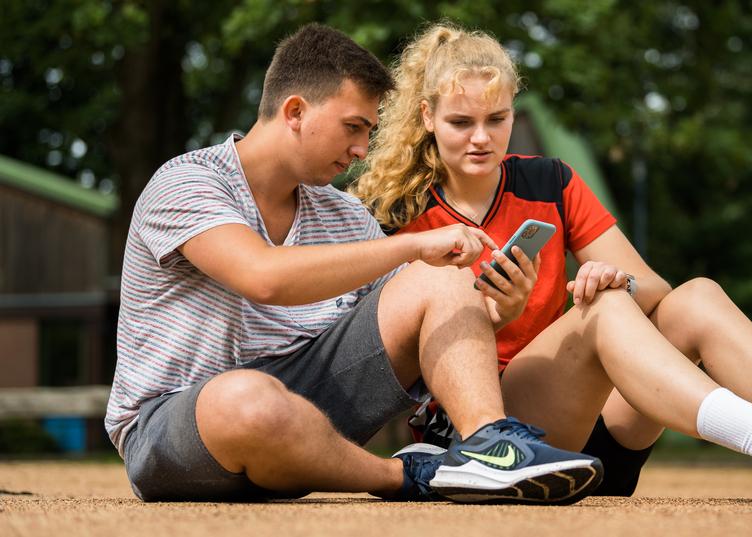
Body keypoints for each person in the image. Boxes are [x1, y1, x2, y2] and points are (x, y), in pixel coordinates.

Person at [351, 22, 752, 504]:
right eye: (461, 122)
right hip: (492, 445)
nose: (480, 138)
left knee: (694, 295)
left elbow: (655, 292)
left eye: (496, 119)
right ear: (427, 117)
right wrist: (493, 315)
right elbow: (391, 357)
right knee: (599, 314)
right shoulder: (394, 212)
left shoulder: (548, 180)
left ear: (514, 111)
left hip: (596, 431)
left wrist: (611, 280)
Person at [104, 23, 606, 505]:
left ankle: (489, 448)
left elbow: (425, 318)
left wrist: (503, 311)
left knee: (440, 279)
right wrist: (411, 246)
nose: (362, 149)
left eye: (368, 131)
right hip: (178, 426)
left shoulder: (342, 212)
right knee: (247, 400)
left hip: (311, 414)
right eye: (353, 128)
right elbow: (263, 277)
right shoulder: (187, 182)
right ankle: (410, 474)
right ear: (296, 111)